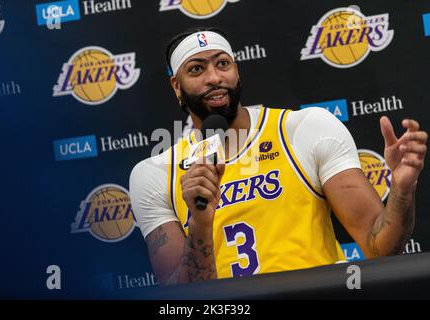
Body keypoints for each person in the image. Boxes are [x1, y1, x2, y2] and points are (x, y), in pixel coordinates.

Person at [129, 28, 427, 285]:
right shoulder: (156, 174)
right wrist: (201, 224)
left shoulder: (305, 129)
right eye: (196, 69)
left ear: (237, 70)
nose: (214, 77)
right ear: (176, 86)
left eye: (223, 64)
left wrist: (402, 189)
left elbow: (380, 248)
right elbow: (181, 301)